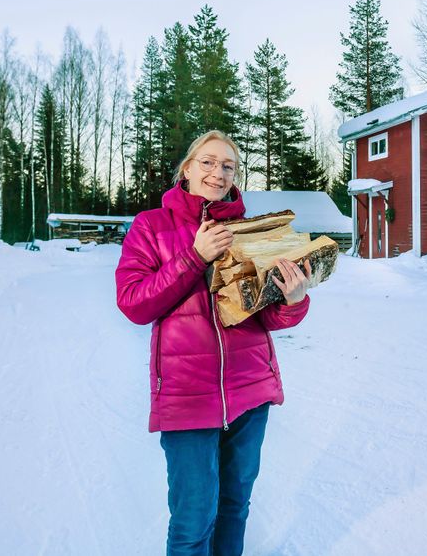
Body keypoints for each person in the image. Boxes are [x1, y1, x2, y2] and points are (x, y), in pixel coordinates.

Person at [115, 130, 312, 556]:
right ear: (186, 169)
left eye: (228, 165)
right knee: (192, 521)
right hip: (187, 398)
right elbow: (134, 303)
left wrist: (294, 300)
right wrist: (194, 256)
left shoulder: (249, 230)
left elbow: (268, 315)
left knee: (234, 509)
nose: (217, 173)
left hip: (249, 393)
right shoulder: (152, 226)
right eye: (207, 162)